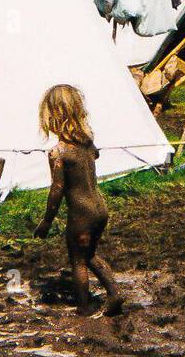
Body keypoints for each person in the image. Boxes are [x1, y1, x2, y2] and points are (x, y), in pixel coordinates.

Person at [33, 84, 123, 316]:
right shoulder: (87, 143)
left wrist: (46, 221)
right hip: (99, 209)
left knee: (78, 260)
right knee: (90, 255)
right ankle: (113, 293)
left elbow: (57, 189)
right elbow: (95, 154)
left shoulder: (58, 153)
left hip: (81, 215)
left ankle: (84, 306)